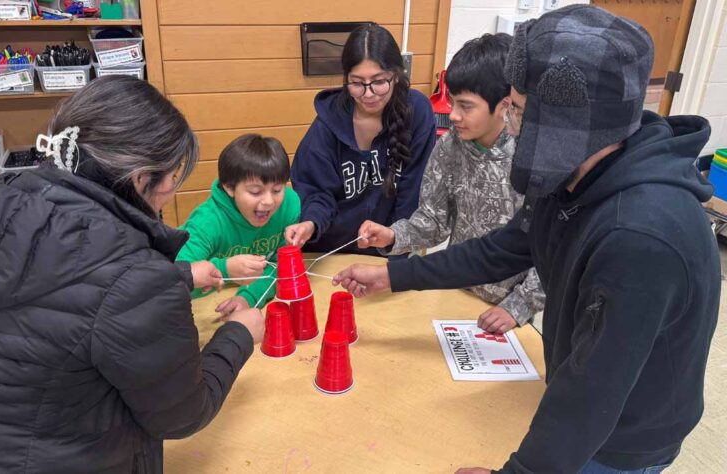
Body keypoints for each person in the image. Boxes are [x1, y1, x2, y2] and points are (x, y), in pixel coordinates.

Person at [333, 5, 720, 473]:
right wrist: (393, 274)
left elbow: (591, 391)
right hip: (582, 386)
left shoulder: (638, 236)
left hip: (622, 437)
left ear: (564, 120)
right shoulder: (579, 171)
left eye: (516, 109)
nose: (511, 124)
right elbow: (501, 249)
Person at [0, 77, 264, 474]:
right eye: (172, 178)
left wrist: (178, 276)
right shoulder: (136, 278)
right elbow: (182, 415)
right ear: (140, 178)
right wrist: (238, 335)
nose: (171, 191)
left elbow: (66, 290)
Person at [358, 33, 544, 334]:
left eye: (466, 106)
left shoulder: (533, 157)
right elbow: (434, 219)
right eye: (453, 102)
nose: (453, 115)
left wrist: (519, 306)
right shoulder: (450, 147)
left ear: (504, 105)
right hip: (456, 291)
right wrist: (394, 236)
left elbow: (553, 250)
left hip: (510, 312)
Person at [285, 24, 436, 255]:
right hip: (330, 252)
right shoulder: (327, 124)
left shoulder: (417, 111)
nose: (368, 94)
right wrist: (311, 223)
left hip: (388, 247)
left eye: (378, 82)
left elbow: (414, 192)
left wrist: (395, 245)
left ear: (396, 75)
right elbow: (315, 192)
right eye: (357, 83)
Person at [176, 134, 300, 316]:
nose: (268, 201)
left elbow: (280, 266)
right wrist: (224, 269)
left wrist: (248, 298)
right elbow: (174, 282)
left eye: (277, 190)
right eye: (255, 191)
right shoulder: (207, 222)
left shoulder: (288, 205)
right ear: (229, 187)